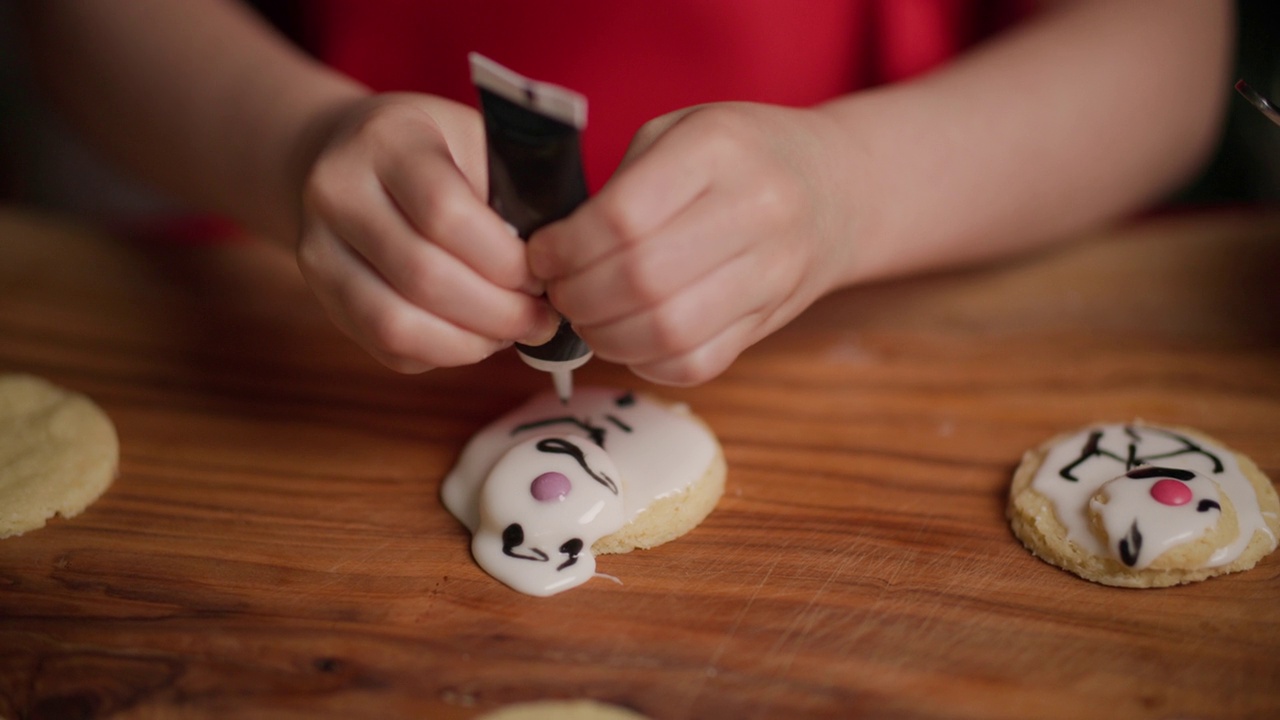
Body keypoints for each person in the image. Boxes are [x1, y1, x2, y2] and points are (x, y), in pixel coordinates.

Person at [15, 0, 1233, 385]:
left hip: (947, 297)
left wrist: (853, 187)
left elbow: (1167, 51)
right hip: (314, 317)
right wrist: (291, 147)